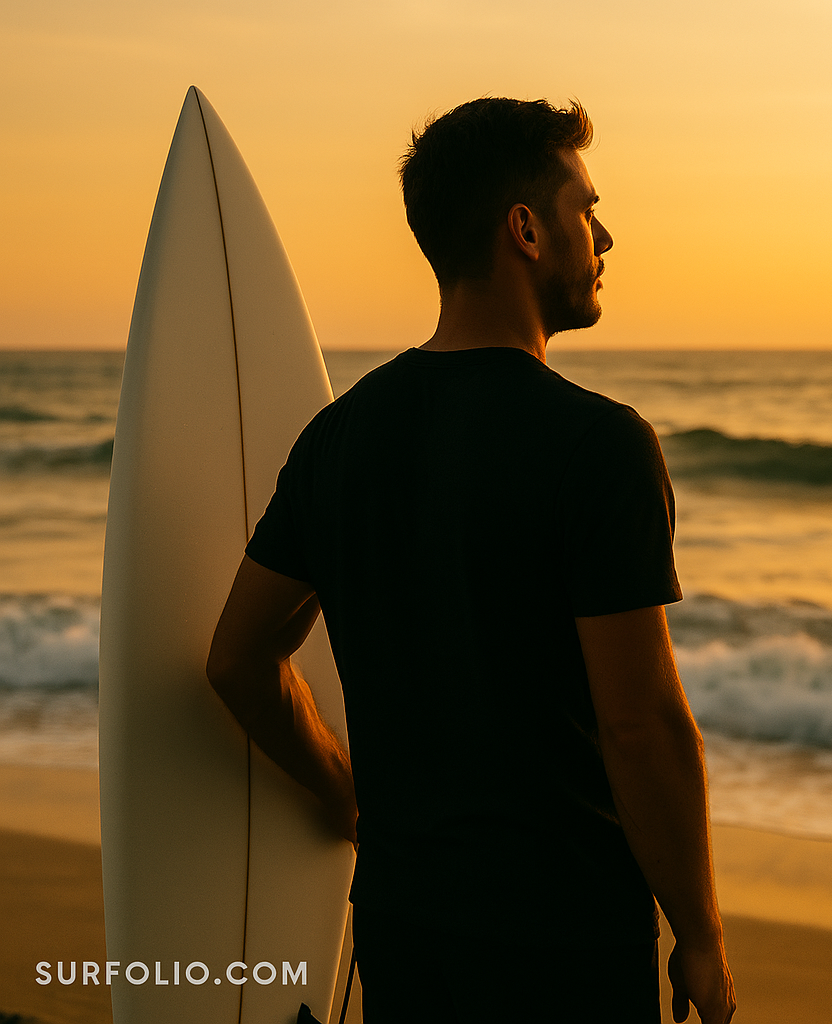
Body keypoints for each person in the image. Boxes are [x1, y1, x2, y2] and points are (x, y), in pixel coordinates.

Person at [207, 97, 735, 1024]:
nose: (604, 235)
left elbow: (238, 661)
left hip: (404, 928)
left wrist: (344, 794)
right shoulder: (599, 445)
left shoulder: (340, 438)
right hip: (562, 938)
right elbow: (642, 725)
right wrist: (700, 933)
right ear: (526, 230)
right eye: (586, 209)